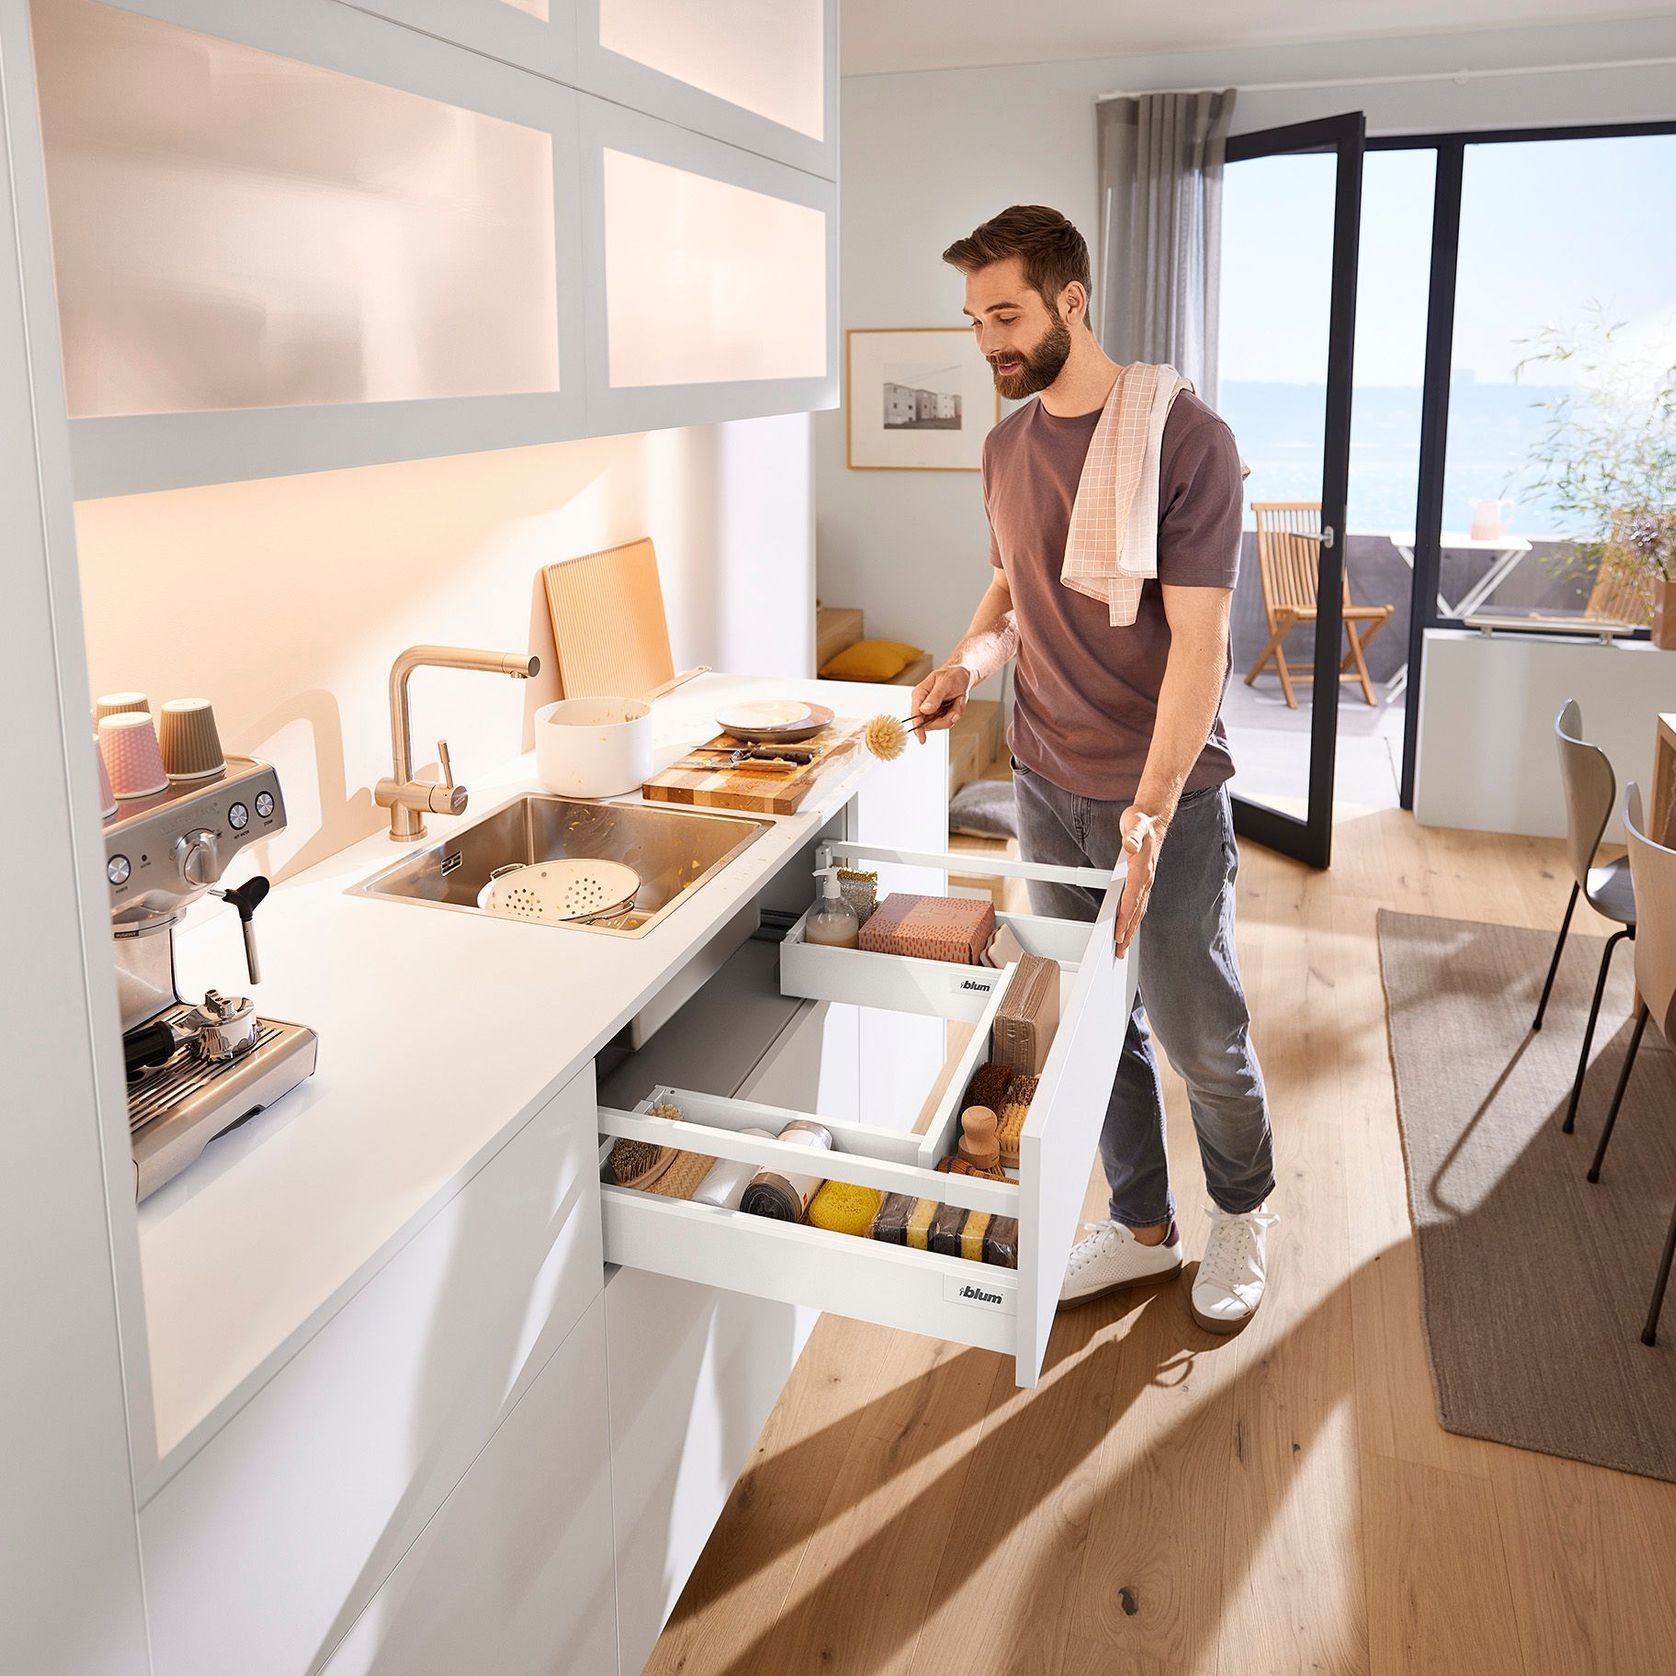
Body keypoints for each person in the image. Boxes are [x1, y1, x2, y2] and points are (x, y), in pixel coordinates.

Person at [912, 204, 1276, 1333]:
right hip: (1041, 777)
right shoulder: (1004, 447)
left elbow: (1203, 644)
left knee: (1191, 1022)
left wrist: (1154, 806)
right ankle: (1141, 1224)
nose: (989, 343)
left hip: (1159, 789)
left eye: (1006, 314)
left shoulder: (1186, 440)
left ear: (1072, 300)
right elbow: (1009, 594)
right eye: (975, 320)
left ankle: (1241, 1209)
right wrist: (963, 665)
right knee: (1088, 1019)